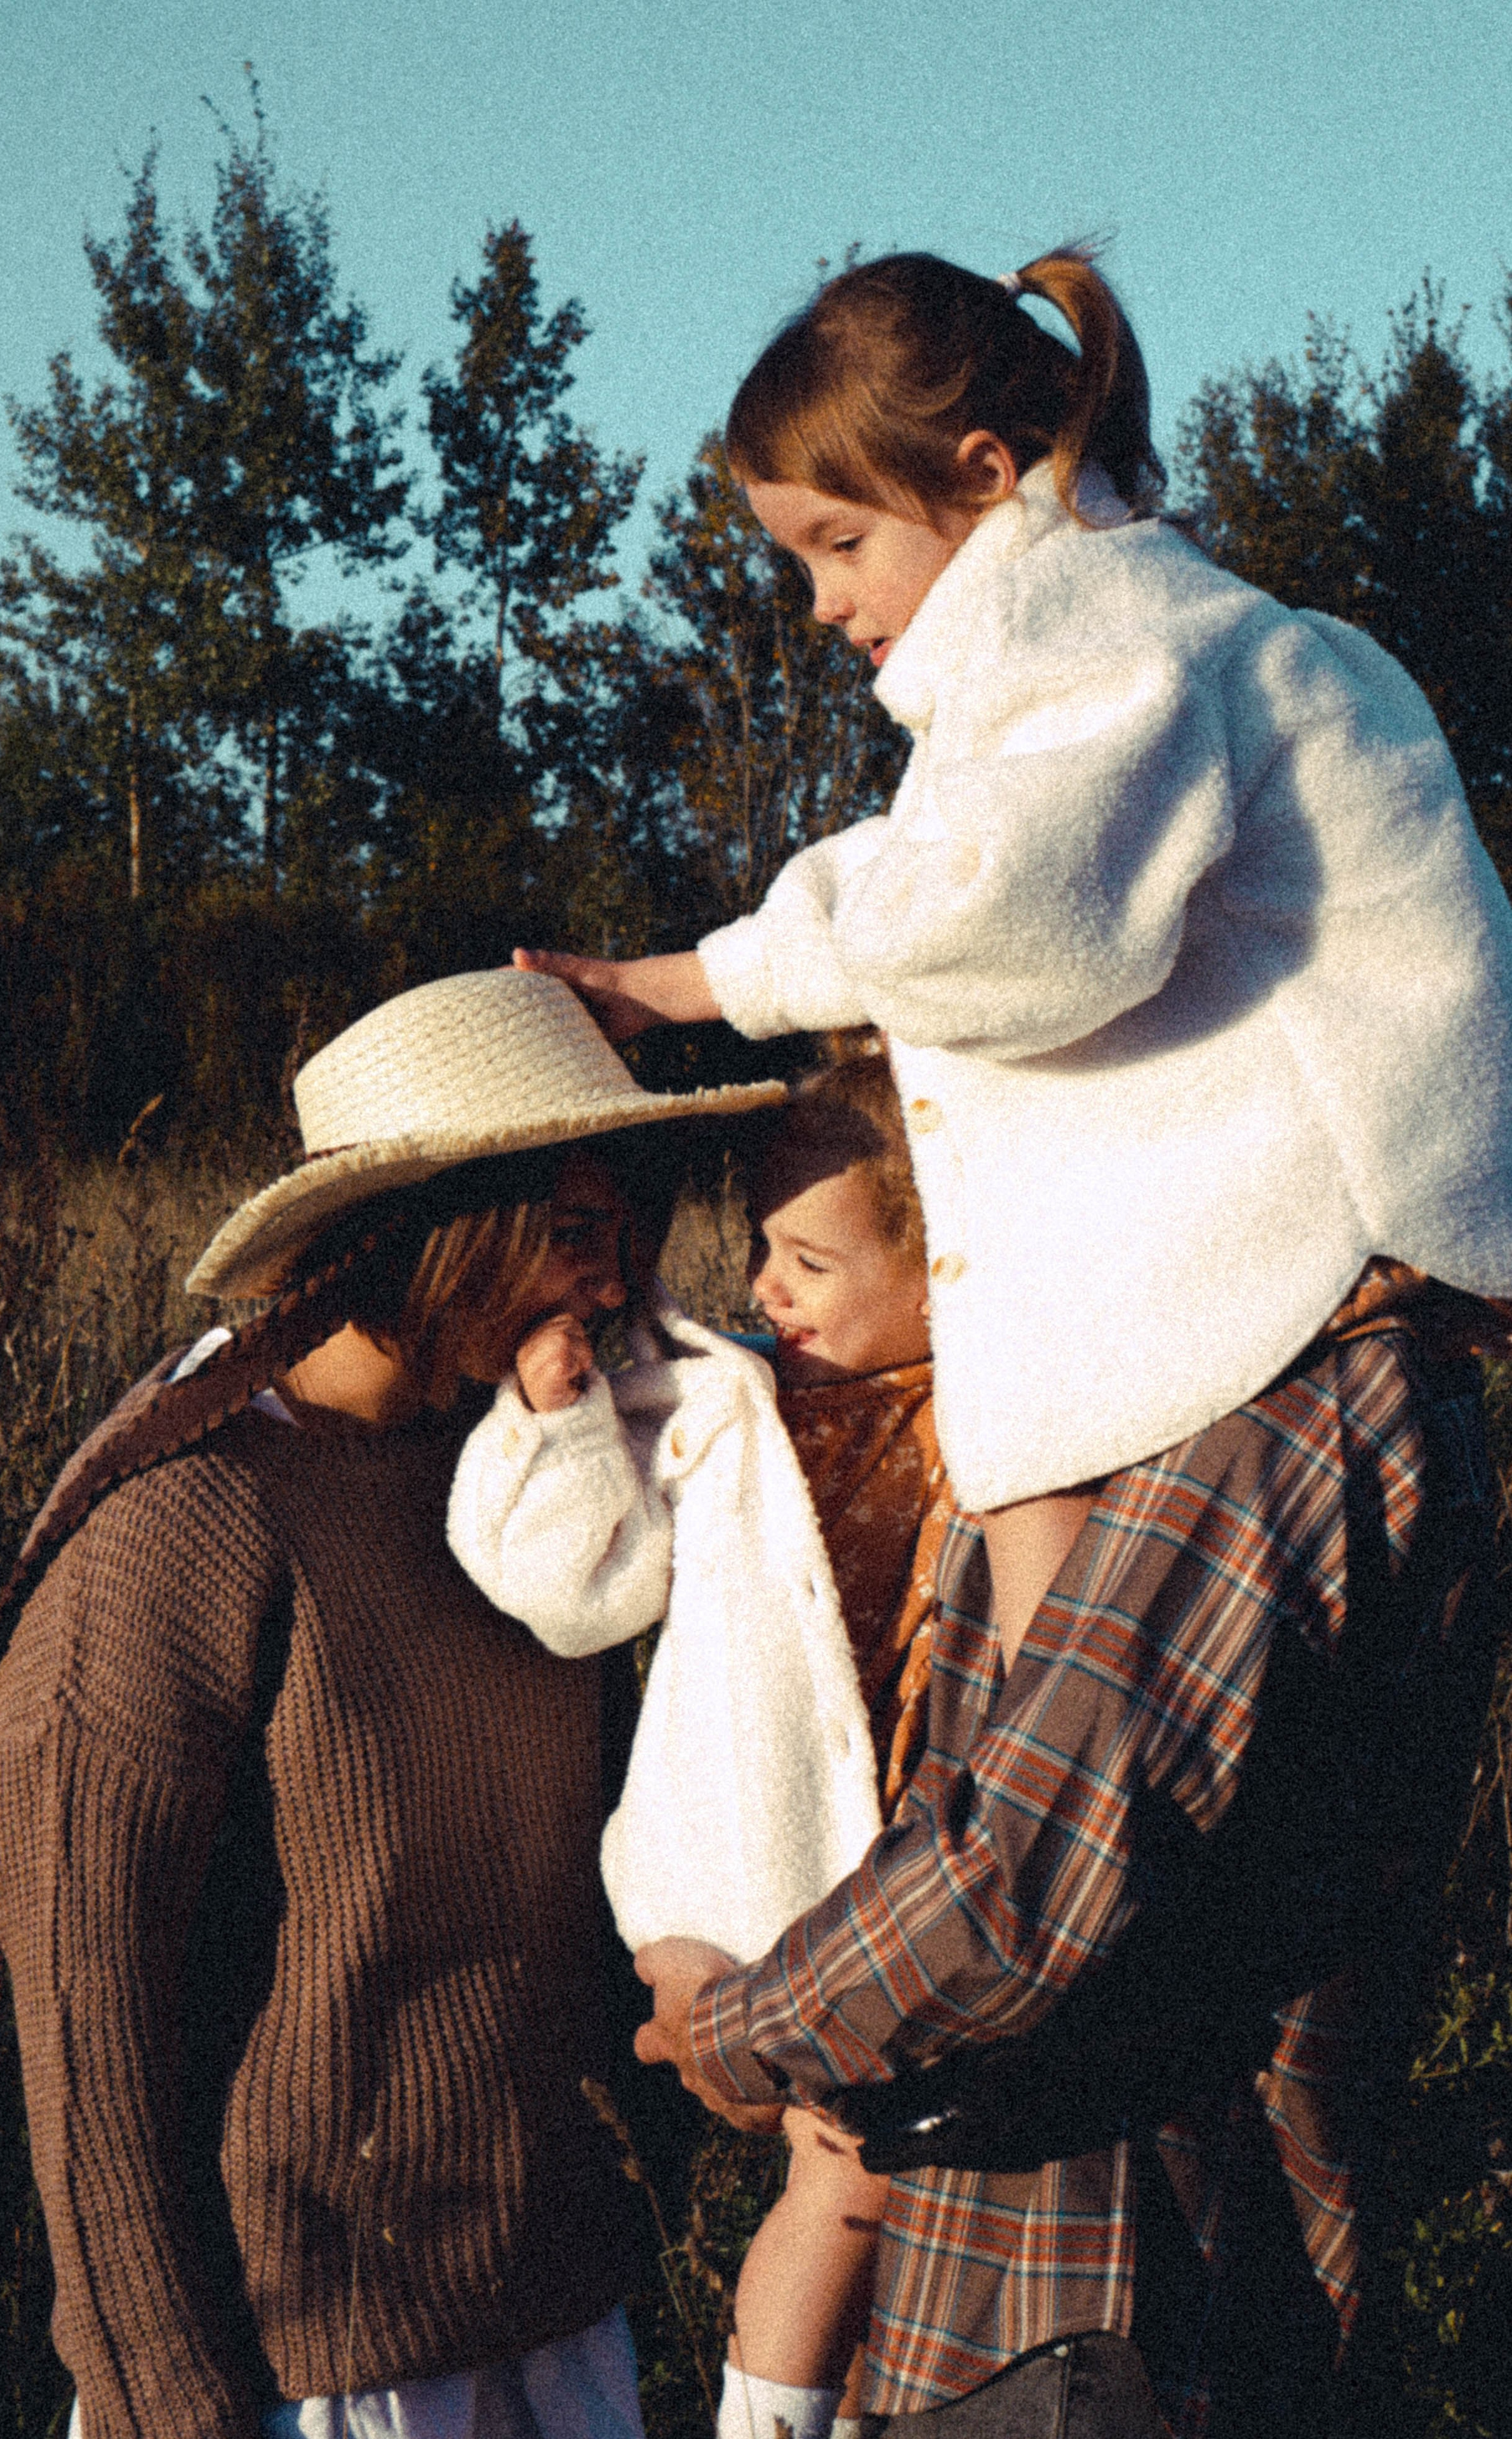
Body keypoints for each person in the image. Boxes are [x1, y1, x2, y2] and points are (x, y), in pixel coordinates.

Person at [514, 250, 1512, 2436]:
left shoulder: (1132, 646)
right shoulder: (1126, 667)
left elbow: (1001, 916)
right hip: (1103, 2280)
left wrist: (704, 981)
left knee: (1075, 1802)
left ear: (988, 478)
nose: (820, 607)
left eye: (838, 545)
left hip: (1112, 2317)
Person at [0, 967, 784, 2439]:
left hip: (547, 2315)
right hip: (305, 2362)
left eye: (620, 1235)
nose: (611, 1286)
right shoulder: (187, 1523)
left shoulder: (534, 1473)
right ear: (440, 1229)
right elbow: (90, 2038)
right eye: (571, 1238)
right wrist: (169, 2402)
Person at [448, 1048, 960, 2439]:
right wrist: (554, 1428)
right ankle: (763, 2420)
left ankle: (843, 2406)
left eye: (808, 1259)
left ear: (947, 1266)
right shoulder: (729, 1406)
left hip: (916, 1867)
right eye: (755, 1251)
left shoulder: (999, 1407)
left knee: (916, 2194)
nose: (765, 1289)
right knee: (846, 2178)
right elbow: (574, 1591)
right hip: (749, 1860)